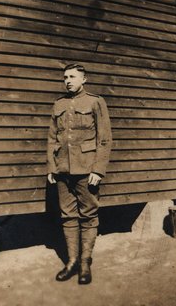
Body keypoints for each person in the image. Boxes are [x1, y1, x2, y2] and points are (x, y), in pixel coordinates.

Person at [47, 63, 112, 284]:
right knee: (67, 216)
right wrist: (51, 167)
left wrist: (98, 169)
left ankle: (85, 263)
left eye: (73, 77)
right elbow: (52, 138)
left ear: (84, 79)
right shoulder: (59, 104)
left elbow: (104, 139)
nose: (68, 80)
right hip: (63, 169)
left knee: (89, 215)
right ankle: (72, 261)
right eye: (65, 77)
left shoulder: (95, 101)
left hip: (86, 169)